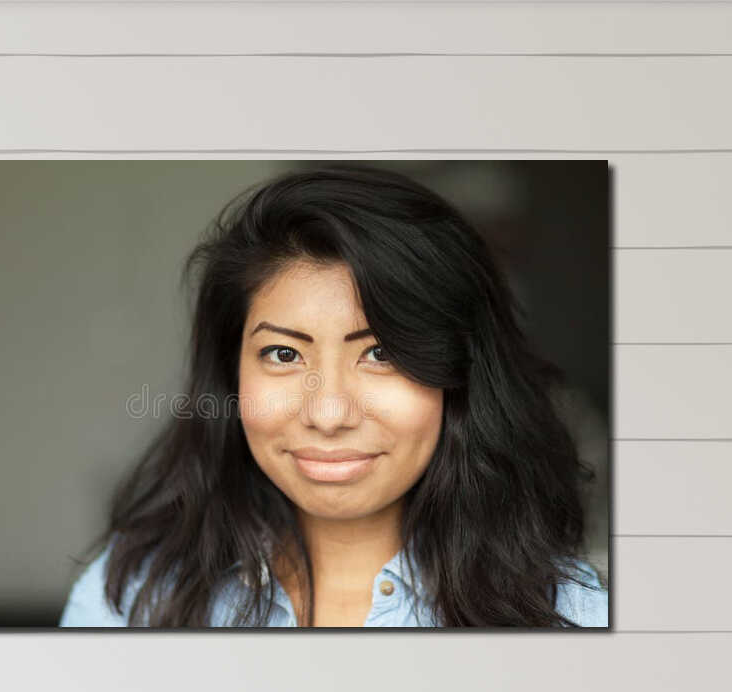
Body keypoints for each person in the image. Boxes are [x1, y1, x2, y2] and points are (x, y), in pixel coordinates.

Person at [60, 165, 606, 629]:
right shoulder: (131, 599)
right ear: (231, 376)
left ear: (459, 373)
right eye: (283, 354)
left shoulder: (571, 616)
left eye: (382, 353)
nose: (328, 414)